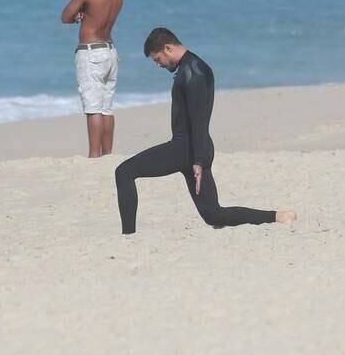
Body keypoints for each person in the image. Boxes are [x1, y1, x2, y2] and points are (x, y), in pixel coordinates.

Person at [113, 28, 296, 235]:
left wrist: (198, 161)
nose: (159, 65)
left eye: (158, 59)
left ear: (168, 48)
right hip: (194, 148)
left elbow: (198, 120)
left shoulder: (193, 72)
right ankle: (278, 216)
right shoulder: (194, 67)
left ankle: (128, 236)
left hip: (187, 149)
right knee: (213, 215)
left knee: (124, 172)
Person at [61, 0, 124, 157]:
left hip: (91, 51)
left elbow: (65, 16)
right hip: (110, 50)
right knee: (107, 107)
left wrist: (79, 13)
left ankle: (94, 156)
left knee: (93, 108)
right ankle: (107, 154)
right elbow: (100, 12)